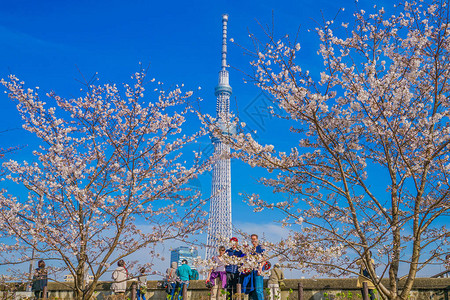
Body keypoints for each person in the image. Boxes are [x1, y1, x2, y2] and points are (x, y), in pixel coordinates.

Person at [249, 234, 265, 300]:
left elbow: (264, 259)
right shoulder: (251, 249)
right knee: (254, 290)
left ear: (257, 239)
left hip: (258, 270)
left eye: (254, 239)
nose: (253, 241)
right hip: (252, 270)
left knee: (259, 289)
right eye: (252, 239)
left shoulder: (260, 247)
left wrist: (260, 268)